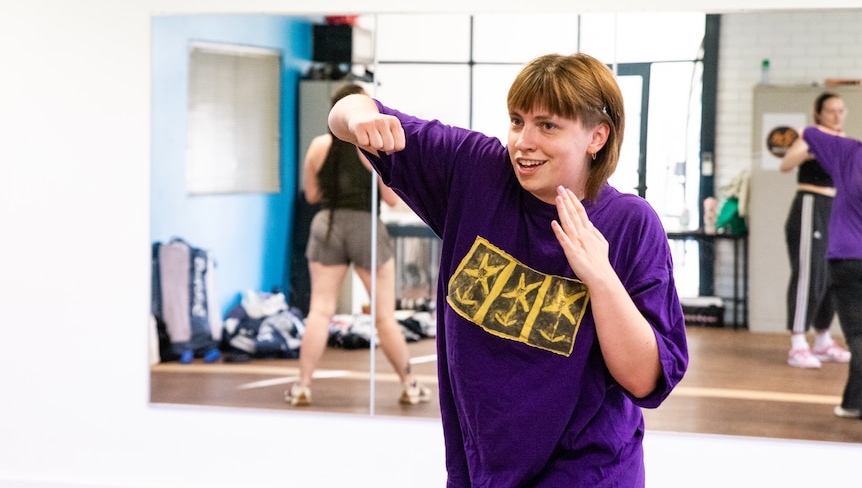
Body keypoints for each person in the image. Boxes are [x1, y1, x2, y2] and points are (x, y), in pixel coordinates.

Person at [328, 53, 689, 486]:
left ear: (597, 136)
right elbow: (344, 113)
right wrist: (361, 116)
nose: (523, 141)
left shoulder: (630, 224)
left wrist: (601, 279)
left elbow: (646, 380)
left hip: (586, 473)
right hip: (479, 470)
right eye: (517, 121)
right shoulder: (476, 171)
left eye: (548, 125)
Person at [286, 83, 431, 407]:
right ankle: (410, 384)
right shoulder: (371, 146)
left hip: (327, 225)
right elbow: (392, 200)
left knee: (320, 311)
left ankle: (302, 386)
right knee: (384, 317)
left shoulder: (317, 146)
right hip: (366, 227)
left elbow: (311, 196)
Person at [791, 124, 862, 419]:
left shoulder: (849, 151)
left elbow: (807, 131)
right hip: (847, 258)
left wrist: (828, 127)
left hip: (847, 258)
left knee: (858, 334)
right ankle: (852, 402)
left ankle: (854, 403)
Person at [779, 92, 851, 368]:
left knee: (831, 276)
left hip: (836, 209)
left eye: (840, 110)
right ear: (819, 113)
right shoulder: (810, 135)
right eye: (831, 110)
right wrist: (816, 145)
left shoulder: (842, 139)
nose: (836, 115)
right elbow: (786, 164)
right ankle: (798, 343)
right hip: (811, 205)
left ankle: (822, 340)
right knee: (809, 274)